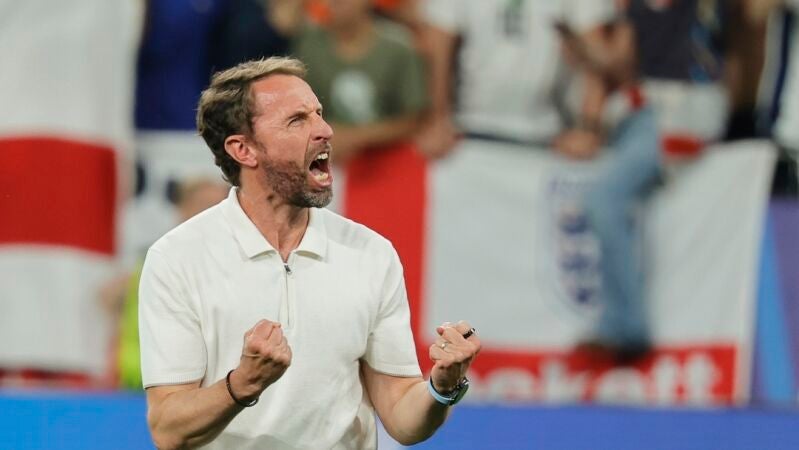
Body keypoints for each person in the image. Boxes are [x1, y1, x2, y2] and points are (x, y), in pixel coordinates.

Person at [138, 57, 481, 449]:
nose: (325, 130)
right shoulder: (177, 258)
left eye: (319, 114)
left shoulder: (370, 254)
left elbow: (402, 417)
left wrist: (441, 388)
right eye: (297, 120)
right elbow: (168, 428)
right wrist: (242, 384)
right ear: (243, 149)